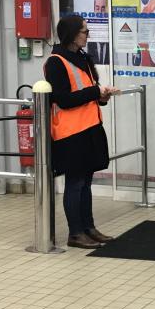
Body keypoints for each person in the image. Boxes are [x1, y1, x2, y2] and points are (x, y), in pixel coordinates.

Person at [44, 14, 121, 249]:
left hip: (89, 127)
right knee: (75, 182)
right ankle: (75, 233)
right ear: (71, 34)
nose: (87, 35)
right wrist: (95, 93)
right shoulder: (56, 61)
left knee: (86, 182)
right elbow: (64, 99)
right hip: (70, 133)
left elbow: (88, 92)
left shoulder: (83, 58)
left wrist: (102, 96)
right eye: (84, 31)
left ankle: (89, 228)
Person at [88, 0, 110, 65]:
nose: (100, 13)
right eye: (97, 8)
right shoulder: (87, 36)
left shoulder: (111, 35)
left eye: (103, 9)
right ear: (94, 9)